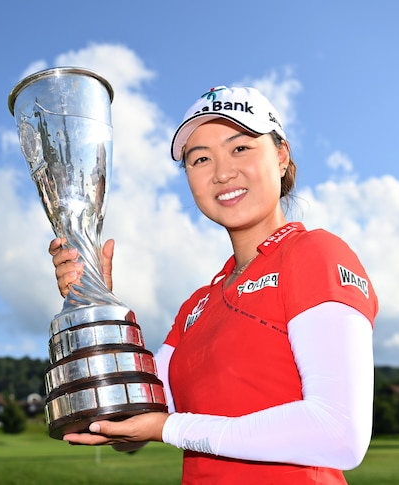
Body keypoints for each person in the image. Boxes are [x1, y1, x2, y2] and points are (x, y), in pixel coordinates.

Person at [48, 85, 378, 484]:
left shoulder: (314, 253)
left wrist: (171, 428)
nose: (222, 172)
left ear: (281, 155)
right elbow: (130, 427)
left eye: (240, 148)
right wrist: (95, 306)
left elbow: (340, 433)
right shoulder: (197, 305)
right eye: (200, 159)